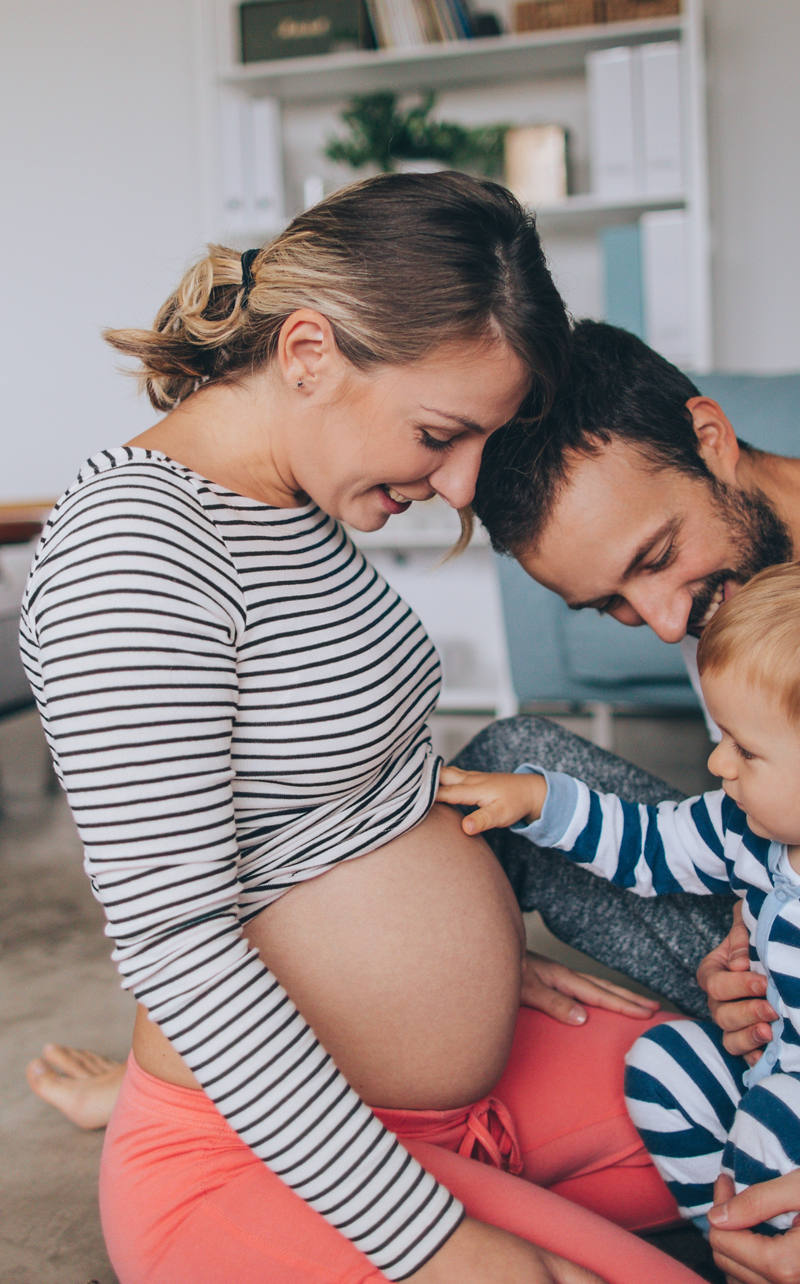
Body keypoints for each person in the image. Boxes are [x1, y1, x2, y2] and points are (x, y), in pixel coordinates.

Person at [20, 172, 698, 1284]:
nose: (462, 483)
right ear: (306, 354)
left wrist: (461, 966)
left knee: (760, 1115)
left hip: (449, 1087)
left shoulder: (288, 497)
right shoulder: (135, 558)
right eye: (441, 433)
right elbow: (177, 946)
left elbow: (340, 801)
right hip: (262, 1152)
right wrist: (437, 1246)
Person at [439, 561, 800, 1240]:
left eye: (745, 752)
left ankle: (755, 1231)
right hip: (762, 1065)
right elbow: (646, 842)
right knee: (662, 1064)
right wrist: (539, 800)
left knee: (774, 1132)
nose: (717, 766)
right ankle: (725, 1234)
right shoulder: (741, 829)